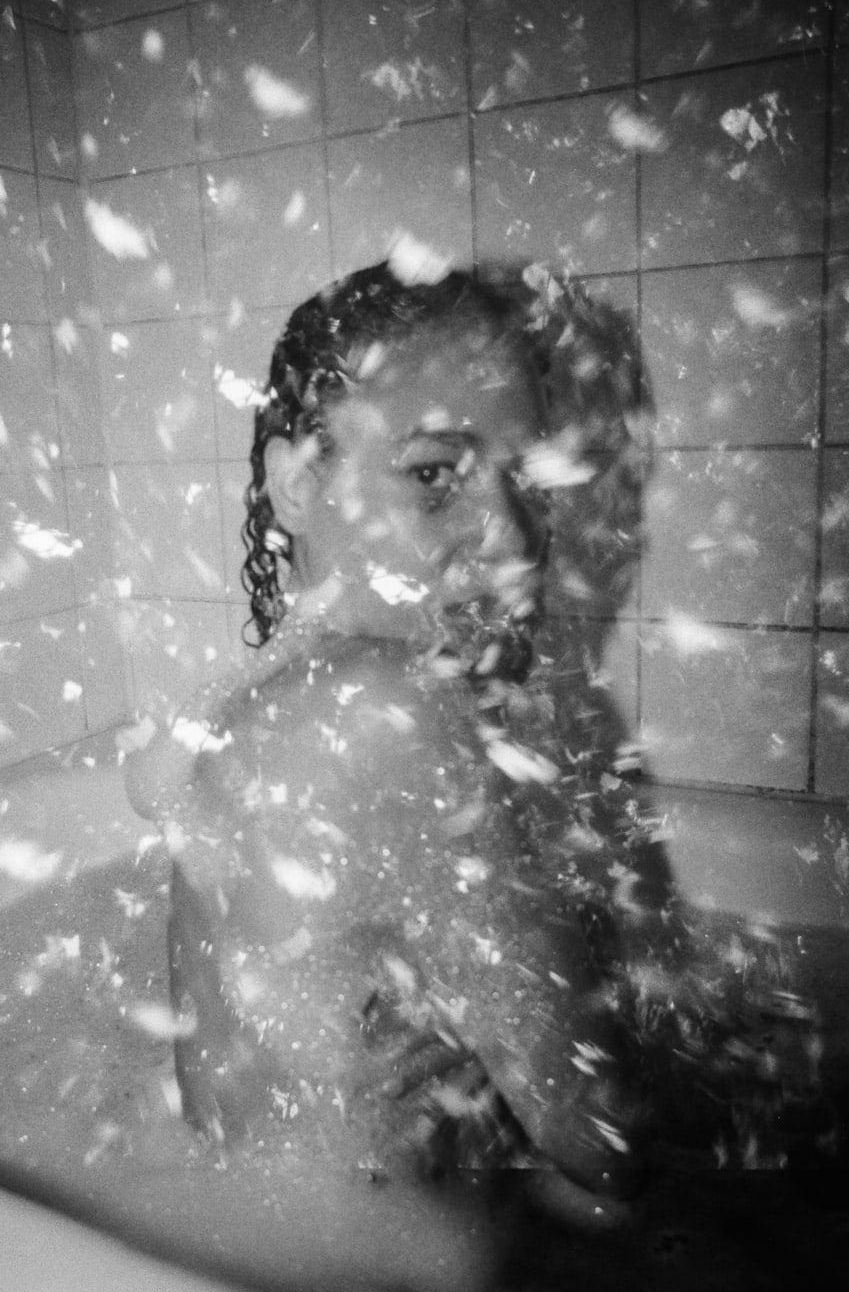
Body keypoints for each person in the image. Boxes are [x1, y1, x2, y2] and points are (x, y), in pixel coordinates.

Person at [125, 254, 683, 1215]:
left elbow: (235, 1117)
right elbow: (608, 1141)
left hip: (295, 1238)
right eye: (434, 475)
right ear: (299, 483)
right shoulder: (389, 717)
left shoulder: (261, 708)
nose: (513, 539)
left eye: (525, 481)